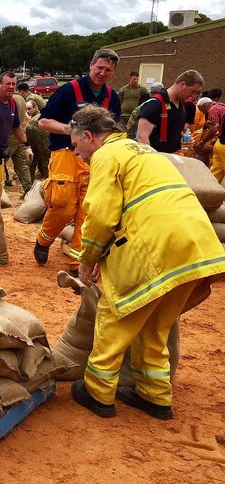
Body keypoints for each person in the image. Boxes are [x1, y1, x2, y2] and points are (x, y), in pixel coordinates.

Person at [67, 105, 225, 420]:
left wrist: (87, 259)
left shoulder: (106, 156)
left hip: (157, 247)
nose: (77, 153)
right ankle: (155, 395)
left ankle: (98, 391)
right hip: (197, 246)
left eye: (76, 145)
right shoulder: (146, 152)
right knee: (156, 326)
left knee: (116, 315)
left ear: (89, 136)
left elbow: (100, 213)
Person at [34, 49, 122, 272]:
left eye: (108, 70)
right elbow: (43, 122)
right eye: (99, 67)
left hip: (95, 159)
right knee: (63, 205)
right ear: (91, 65)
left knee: (87, 210)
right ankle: (44, 239)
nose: (102, 73)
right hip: (66, 152)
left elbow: (114, 129)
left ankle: (76, 261)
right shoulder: (69, 91)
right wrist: (73, 131)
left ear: (113, 72)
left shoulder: (113, 97)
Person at [136, 70, 203, 153]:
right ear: (182, 85)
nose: (193, 96)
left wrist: (184, 139)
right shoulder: (154, 104)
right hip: (156, 160)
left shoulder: (181, 106)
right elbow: (142, 138)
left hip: (174, 157)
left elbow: (173, 131)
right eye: (192, 91)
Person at [25, 100, 50, 181]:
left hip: (32, 129)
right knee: (45, 156)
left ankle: (30, 177)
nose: (28, 111)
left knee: (35, 154)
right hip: (38, 130)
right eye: (27, 109)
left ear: (35, 108)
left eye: (29, 109)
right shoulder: (38, 117)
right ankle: (47, 178)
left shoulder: (34, 118)